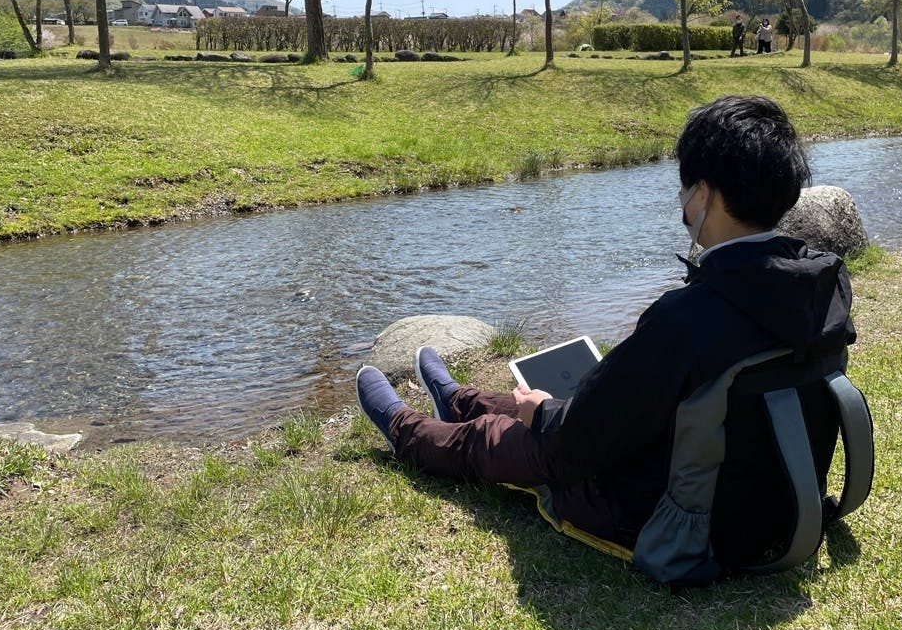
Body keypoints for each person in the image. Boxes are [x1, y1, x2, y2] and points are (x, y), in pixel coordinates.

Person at [355, 96, 857, 576]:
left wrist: (542, 416)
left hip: (679, 523)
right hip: (777, 504)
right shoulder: (825, 284)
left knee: (495, 437)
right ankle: (458, 399)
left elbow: (582, 438)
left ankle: (404, 431)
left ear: (705, 193)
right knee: (548, 402)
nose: (682, 199)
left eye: (685, 186)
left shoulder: (687, 316)